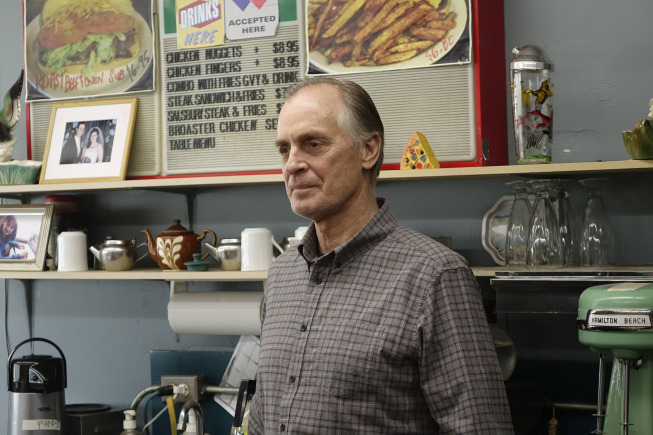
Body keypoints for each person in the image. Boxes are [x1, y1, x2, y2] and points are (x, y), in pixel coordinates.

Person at [248, 77, 513, 434]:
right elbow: (263, 418)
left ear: (368, 150)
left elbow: (480, 428)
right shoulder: (282, 276)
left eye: (313, 144)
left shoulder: (433, 275)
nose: (292, 164)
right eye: (284, 149)